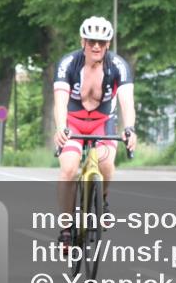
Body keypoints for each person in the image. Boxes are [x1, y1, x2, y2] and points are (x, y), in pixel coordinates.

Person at [53, 16, 137, 247]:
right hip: (73, 122)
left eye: (101, 42)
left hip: (103, 122)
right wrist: (60, 127)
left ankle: (103, 200)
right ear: (83, 41)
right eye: (91, 41)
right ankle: (66, 229)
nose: (96, 46)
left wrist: (130, 129)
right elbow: (60, 101)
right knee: (68, 169)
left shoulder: (118, 66)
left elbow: (127, 102)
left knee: (107, 164)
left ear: (108, 43)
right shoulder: (68, 63)